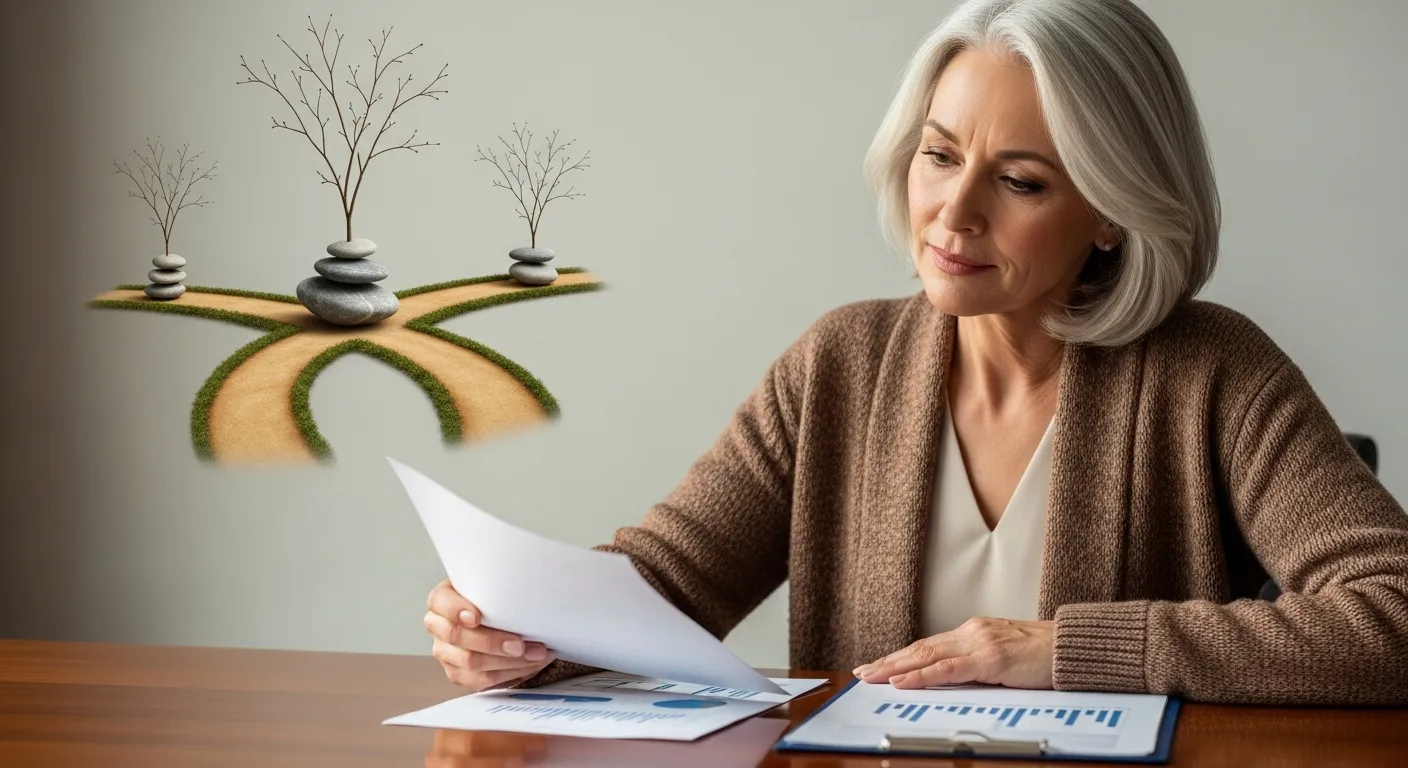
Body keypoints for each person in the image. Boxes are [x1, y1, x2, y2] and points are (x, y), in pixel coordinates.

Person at [423, 0, 1408, 705]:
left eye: (1019, 181)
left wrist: (1066, 650)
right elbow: (666, 584)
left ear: (1109, 211)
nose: (952, 211)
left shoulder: (1214, 372)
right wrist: (522, 632)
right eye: (939, 155)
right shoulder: (841, 363)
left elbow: (1393, 617)